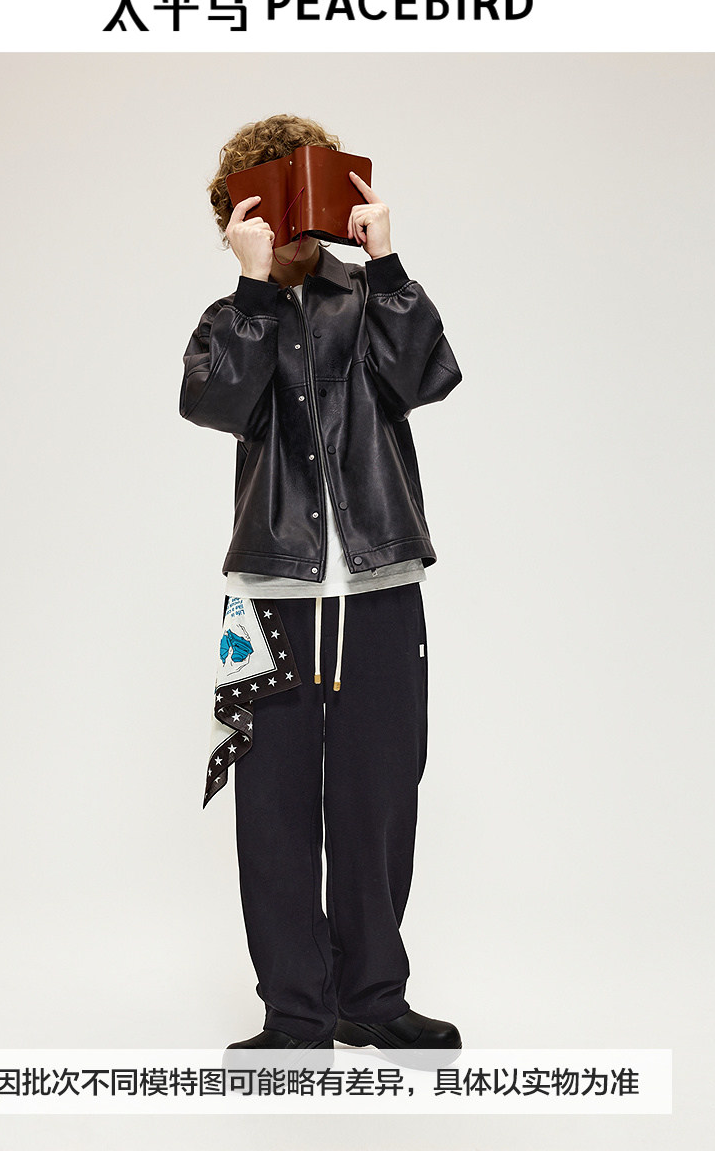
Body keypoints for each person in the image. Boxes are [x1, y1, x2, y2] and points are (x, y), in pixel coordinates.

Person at [180, 114, 463, 1052]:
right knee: (272, 815)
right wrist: (254, 285)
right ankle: (295, 1013)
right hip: (268, 599)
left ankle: (371, 997)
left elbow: (427, 377)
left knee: (379, 801)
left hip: (381, 584)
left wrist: (386, 263)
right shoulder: (232, 317)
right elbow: (217, 402)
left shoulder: (372, 296)